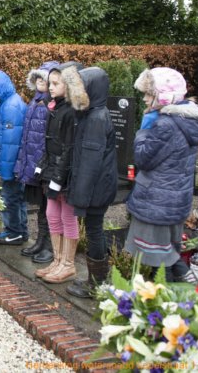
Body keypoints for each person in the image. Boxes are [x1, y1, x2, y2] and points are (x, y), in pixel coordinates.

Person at [123, 68, 198, 283]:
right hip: (173, 198)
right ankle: (177, 279)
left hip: (157, 198)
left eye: (149, 94)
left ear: (164, 96)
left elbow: (143, 158)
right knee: (164, 251)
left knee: (157, 257)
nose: (145, 99)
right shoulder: (185, 120)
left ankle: (165, 296)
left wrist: (144, 131)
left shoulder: (165, 125)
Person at [64, 66, 118, 298]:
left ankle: (97, 283)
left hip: (97, 187)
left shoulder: (96, 118)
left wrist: (80, 198)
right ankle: (96, 279)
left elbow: (90, 162)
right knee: (95, 230)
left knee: (95, 231)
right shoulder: (91, 114)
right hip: (97, 186)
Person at [33, 63, 83, 283]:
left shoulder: (71, 111)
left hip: (65, 174)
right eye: (49, 83)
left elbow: (68, 147)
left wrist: (57, 177)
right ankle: (57, 259)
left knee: (67, 217)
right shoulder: (54, 107)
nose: (50, 87)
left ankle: (68, 264)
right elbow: (49, 143)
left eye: (55, 83)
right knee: (52, 215)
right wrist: (42, 165)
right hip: (52, 170)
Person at [16, 62, 60, 265]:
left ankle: (49, 246)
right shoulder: (35, 101)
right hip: (34, 161)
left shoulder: (50, 105)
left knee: (49, 207)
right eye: (39, 79)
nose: (42, 83)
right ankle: (41, 241)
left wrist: (41, 164)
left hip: (44, 163)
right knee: (42, 207)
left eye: (45, 79)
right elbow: (28, 136)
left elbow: (46, 137)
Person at [0, 70, 28, 246]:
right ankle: (18, 231)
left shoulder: (10, 107)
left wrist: (5, 171)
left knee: (10, 198)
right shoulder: (9, 103)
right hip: (11, 164)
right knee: (15, 198)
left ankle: (14, 231)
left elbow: (11, 142)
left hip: (10, 165)